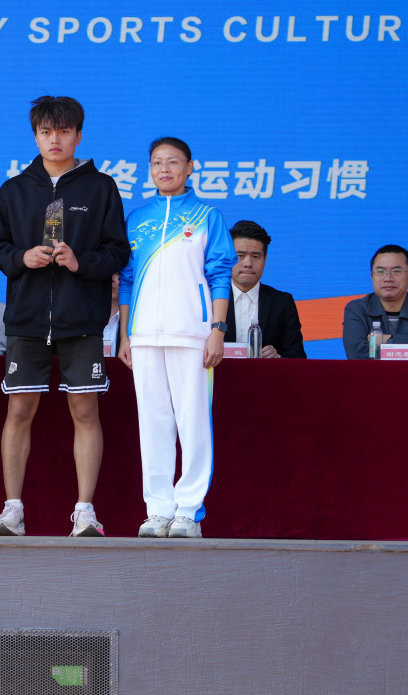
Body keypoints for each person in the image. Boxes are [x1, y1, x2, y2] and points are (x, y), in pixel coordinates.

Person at [0, 95, 129, 538]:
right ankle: (13, 510)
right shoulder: (14, 190)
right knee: (19, 410)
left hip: (80, 319)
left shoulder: (101, 187)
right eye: (46, 132)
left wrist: (80, 262)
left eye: (64, 131)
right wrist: (22, 257)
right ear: (35, 136)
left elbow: (119, 252)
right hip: (27, 318)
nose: (55, 139)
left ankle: (85, 511)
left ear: (78, 136)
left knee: (85, 410)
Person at [117, 137, 236, 540]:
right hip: (144, 336)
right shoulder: (137, 219)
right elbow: (127, 280)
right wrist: (126, 335)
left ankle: (188, 511)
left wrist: (217, 329)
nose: (164, 169)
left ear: (189, 167)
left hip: (192, 334)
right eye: (157, 162)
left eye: (172, 162)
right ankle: (158, 510)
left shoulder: (207, 216)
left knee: (193, 422)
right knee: (153, 423)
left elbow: (220, 274)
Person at [342, 245, 408, 360]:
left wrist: (387, 340)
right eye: (380, 271)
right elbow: (357, 355)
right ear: (372, 276)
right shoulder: (357, 309)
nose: (388, 278)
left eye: (396, 271)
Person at [223, 220, 306, 358]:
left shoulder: (282, 303)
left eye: (255, 257)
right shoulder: (211, 299)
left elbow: (298, 358)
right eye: (240, 256)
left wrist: (278, 358)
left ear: (265, 259)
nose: (248, 263)